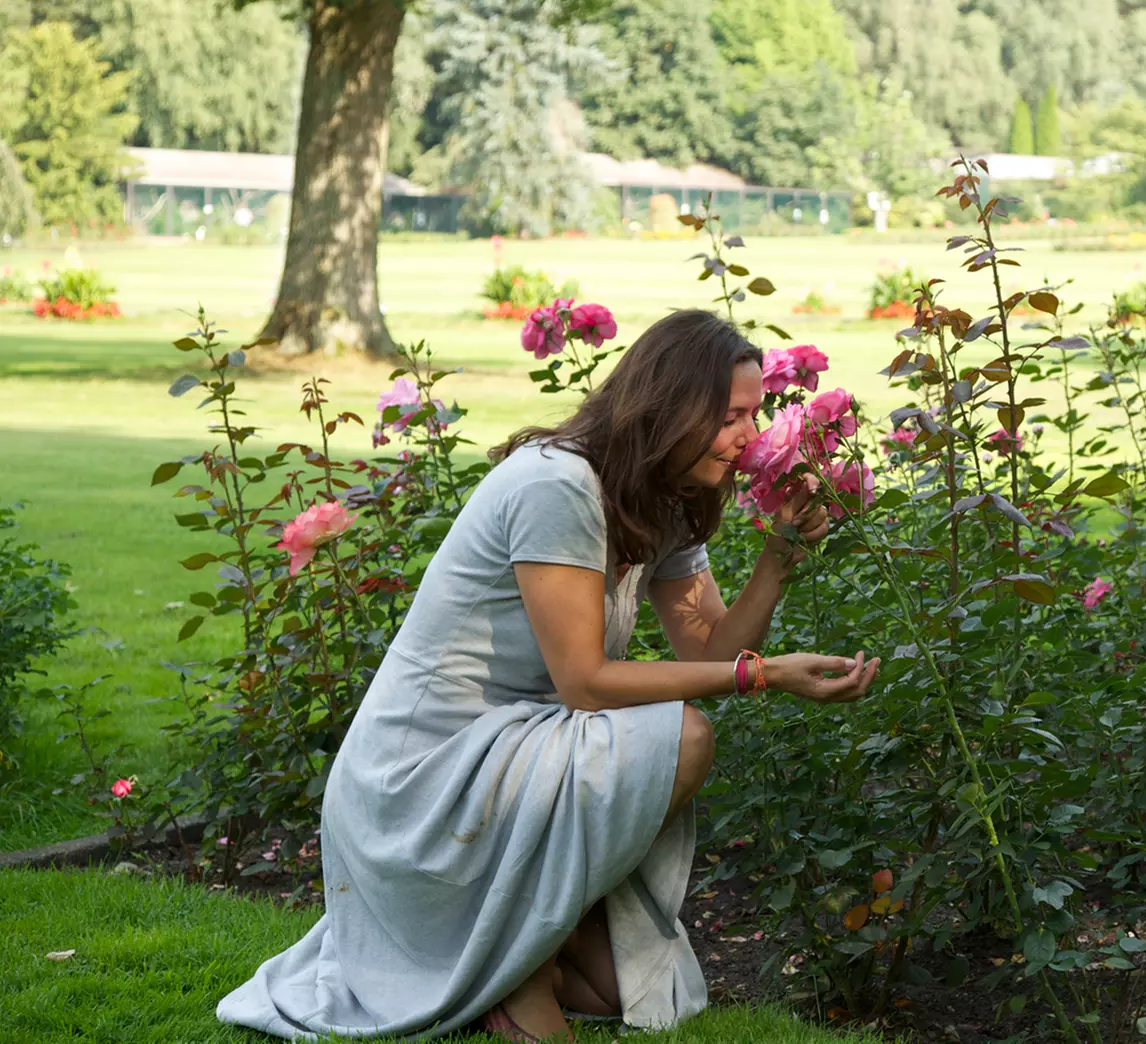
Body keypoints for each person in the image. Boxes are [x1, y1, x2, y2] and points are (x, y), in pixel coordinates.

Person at [218, 309, 881, 1042]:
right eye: (730, 417)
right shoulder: (558, 485)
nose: (750, 436)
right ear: (670, 408)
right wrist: (764, 675)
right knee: (685, 736)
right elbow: (586, 684)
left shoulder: (664, 496)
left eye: (755, 414)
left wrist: (780, 554)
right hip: (423, 779)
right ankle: (516, 972)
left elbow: (707, 649)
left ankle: (511, 950)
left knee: (613, 993)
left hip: (518, 761)